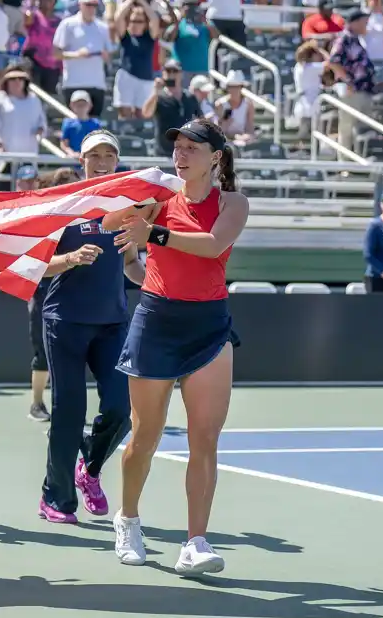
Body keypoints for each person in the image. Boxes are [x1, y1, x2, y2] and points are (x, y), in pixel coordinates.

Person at [111, 118, 249, 575]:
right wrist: (136, 225)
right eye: (178, 147)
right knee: (144, 437)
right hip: (156, 322)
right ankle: (128, 519)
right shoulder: (157, 199)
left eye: (193, 147)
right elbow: (114, 227)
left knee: (204, 440)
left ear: (216, 157)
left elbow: (212, 246)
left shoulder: (234, 203)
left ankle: (196, 542)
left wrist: (152, 235)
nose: (181, 154)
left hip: (210, 328)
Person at [38, 130, 139, 525]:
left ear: (116, 160)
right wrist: (71, 259)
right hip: (65, 320)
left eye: (108, 155)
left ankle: (90, 468)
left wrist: (147, 278)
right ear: (82, 161)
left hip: (113, 321)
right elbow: (38, 264)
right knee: (69, 411)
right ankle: (55, 499)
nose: (101, 161)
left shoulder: (126, 207)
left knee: (120, 408)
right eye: (94, 155)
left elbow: (130, 260)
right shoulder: (63, 205)